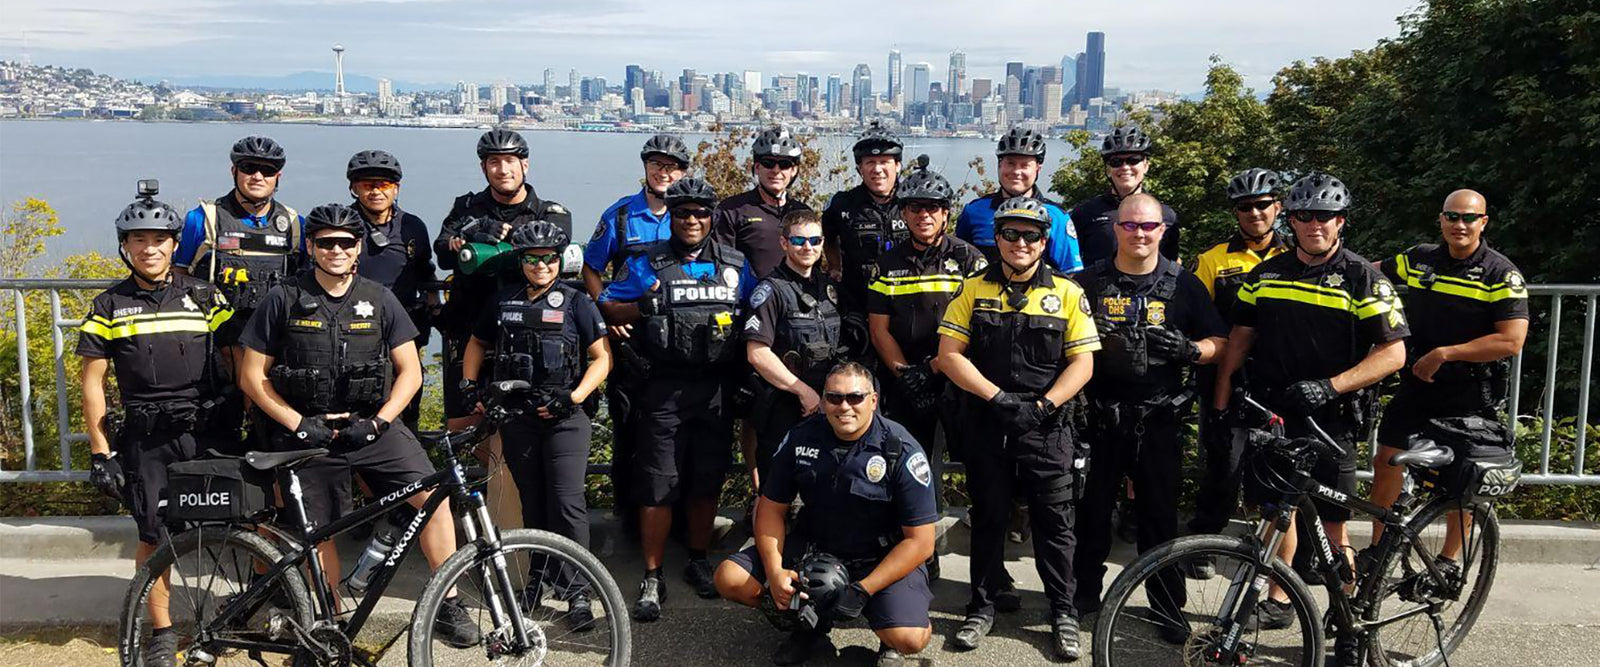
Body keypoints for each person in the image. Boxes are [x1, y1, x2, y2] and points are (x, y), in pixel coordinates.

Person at [237, 203, 479, 648]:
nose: (336, 250)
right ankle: (329, 623)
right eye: (325, 242)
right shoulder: (283, 298)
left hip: (371, 429)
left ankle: (448, 603)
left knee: (433, 497)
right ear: (311, 247)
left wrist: (380, 422)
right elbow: (251, 375)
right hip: (307, 434)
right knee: (320, 530)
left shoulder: (379, 297)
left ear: (358, 248)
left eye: (345, 243)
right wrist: (298, 424)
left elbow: (410, 371)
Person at [1212, 174, 1407, 653]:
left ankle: (1348, 622)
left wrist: (1330, 387)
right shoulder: (1268, 274)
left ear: (1340, 221)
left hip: (1332, 417)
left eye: (1324, 216)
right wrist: (1223, 398)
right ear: (1291, 219)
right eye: (1304, 216)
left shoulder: (1363, 277)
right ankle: (1280, 597)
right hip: (1274, 411)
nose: (1313, 225)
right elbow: (1241, 337)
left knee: (1334, 526)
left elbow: (1393, 353)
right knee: (1278, 512)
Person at [938, 197, 1100, 660]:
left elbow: (1084, 362)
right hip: (988, 423)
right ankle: (981, 606)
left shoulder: (1068, 293)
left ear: (1044, 241)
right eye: (1011, 233)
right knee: (989, 519)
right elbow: (949, 356)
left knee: (1055, 526)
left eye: (1031, 235)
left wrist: (1045, 405)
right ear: (998, 239)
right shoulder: (972, 289)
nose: (1021, 242)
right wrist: (997, 398)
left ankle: (1063, 612)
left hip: (1047, 428)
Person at [80, 182, 235, 667]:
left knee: (237, 523)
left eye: (159, 239)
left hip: (207, 430)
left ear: (174, 243)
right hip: (147, 438)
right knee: (153, 535)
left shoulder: (207, 296)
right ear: (124, 247)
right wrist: (101, 451)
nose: (149, 248)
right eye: (138, 240)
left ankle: (240, 615)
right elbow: (92, 384)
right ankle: (163, 632)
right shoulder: (108, 305)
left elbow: (237, 362)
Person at [1071, 194, 1229, 638]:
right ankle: (1083, 594)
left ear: (1162, 230)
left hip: (1160, 420)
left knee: (1159, 519)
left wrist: (1189, 350)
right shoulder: (1088, 282)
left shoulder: (1184, 285)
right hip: (1099, 419)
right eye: (1130, 226)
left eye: (1148, 226)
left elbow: (1221, 341)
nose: (1139, 234)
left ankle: (1166, 606)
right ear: (1116, 229)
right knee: (1092, 513)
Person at [714, 362, 937, 667]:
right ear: (822, 401)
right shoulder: (802, 438)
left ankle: (888, 633)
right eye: (834, 397)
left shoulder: (900, 448)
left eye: (855, 397)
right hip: (815, 549)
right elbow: (770, 509)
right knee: (730, 578)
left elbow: (921, 543)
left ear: (873, 400)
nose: (844, 406)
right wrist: (776, 571)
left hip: (880, 557)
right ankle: (809, 628)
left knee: (909, 637)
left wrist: (862, 590)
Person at [598, 177, 747, 620]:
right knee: (658, 486)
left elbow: (758, 307)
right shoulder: (648, 263)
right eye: (683, 213)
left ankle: (698, 560)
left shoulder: (734, 264)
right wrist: (643, 307)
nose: (693, 220)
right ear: (673, 218)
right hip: (662, 388)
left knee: (706, 480)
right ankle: (652, 574)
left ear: (712, 218)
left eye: (701, 212)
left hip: (716, 387)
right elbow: (606, 304)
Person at [461, 220, 613, 631]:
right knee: (533, 501)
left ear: (559, 260)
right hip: (518, 416)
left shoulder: (577, 301)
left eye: (548, 258)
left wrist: (575, 397)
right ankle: (537, 580)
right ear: (522, 262)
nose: (541, 266)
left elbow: (602, 358)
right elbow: (477, 343)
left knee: (567, 502)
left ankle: (578, 591)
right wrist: (469, 383)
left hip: (567, 417)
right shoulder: (504, 301)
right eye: (532, 259)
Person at [1369, 190, 1527, 553]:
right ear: (1440, 220)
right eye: (1451, 216)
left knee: (1461, 482)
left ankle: (1449, 560)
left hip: (1468, 391)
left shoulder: (1501, 273)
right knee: (1387, 460)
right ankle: (1377, 550)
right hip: (1417, 384)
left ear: (1483, 222)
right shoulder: (1420, 258)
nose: (1460, 224)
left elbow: (1511, 341)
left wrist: (1445, 354)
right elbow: (1368, 271)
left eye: (1469, 218)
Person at [865, 163, 986, 538]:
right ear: (903, 213)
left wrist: (936, 367)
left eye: (932, 207)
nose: (924, 215)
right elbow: (879, 328)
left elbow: (979, 326)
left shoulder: (969, 259)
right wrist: (903, 372)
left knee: (975, 459)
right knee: (909, 461)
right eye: (915, 207)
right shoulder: (886, 264)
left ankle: (986, 531)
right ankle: (917, 541)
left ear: (946, 212)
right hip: (906, 380)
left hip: (955, 375)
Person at [582, 134, 690, 534]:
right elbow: (591, 268)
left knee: (677, 427)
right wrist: (605, 312)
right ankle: (629, 516)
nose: (665, 172)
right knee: (629, 426)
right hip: (632, 332)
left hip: (679, 335)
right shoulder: (622, 215)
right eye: (658, 164)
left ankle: (672, 518)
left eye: (674, 166)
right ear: (645, 167)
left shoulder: (690, 214)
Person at [434, 128, 573, 432]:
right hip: (469, 329)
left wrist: (497, 247)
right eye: (494, 162)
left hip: (525, 334)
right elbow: (443, 251)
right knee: (463, 425)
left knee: (526, 422)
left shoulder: (550, 214)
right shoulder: (466, 208)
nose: (502, 169)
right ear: (483, 168)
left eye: (510, 160)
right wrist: (472, 233)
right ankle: (478, 482)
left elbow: (555, 256)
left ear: (525, 165)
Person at [1188, 168, 1290, 550]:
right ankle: (1204, 541)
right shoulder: (1212, 260)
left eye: (1262, 205)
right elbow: (1197, 320)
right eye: (1245, 207)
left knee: (1276, 468)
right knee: (1223, 465)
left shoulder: (1296, 256)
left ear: (1278, 207)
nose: (1254, 213)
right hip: (1227, 378)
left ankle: (1270, 546)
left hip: (1279, 378)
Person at [745, 210, 843, 486]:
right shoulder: (771, 290)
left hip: (827, 406)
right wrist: (803, 392)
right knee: (778, 492)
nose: (807, 247)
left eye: (814, 240)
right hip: (784, 406)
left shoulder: (830, 288)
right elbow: (758, 353)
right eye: (799, 240)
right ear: (784, 243)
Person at [345, 149, 437, 430]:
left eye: (383, 184)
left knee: (408, 407)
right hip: (354, 332)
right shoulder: (342, 224)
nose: (376, 191)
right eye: (366, 184)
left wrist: (434, 307)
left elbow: (425, 269)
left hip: (402, 333)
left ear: (396, 188)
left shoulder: (413, 226)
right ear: (353, 188)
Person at [954, 125, 1083, 273]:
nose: (1016, 172)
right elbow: (959, 265)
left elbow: (1071, 273)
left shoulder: (1056, 216)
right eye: (1010, 163)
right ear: (999, 165)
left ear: (1037, 169)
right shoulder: (974, 211)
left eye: (1025, 165)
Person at [822, 121, 903, 319]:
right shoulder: (843, 204)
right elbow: (827, 237)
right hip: (858, 305)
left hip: (905, 305)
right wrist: (834, 267)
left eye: (884, 161)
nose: (877, 169)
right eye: (870, 163)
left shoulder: (913, 203)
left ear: (898, 166)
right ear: (860, 168)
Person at [1067, 125, 1180, 267]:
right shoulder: (1084, 213)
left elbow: (1173, 263)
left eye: (1133, 160)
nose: (1125, 167)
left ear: (1146, 165)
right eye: (1116, 162)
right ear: (1108, 169)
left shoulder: (1166, 216)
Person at [713, 125, 815, 280]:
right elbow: (720, 263)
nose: (776, 170)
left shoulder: (802, 212)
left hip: (796, 299)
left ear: (793, 170)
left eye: (784, 164)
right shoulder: (732, 210)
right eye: (768, 163)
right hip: (748, 300)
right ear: (757, 167)